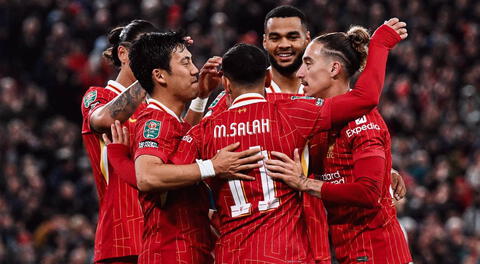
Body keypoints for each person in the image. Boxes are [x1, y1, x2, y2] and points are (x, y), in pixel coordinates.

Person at [170, 19, 403, 262]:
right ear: (267, 80)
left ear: (226, 83)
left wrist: (210, 168)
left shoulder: (207, 126)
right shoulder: (292, 113)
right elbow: (365, 97)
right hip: (289, 252)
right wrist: (379, 44)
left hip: (234, 253)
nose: (301, 70)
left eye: (307, 62)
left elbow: (171, 173)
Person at [106, 31, 263, 264]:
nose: (195, 70)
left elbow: (185, 144)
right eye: (186, 62)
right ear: (159, 76)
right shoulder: (155, 122)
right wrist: (213, 166)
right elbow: (147, 176)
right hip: (171, 254)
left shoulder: (170, 121)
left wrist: (201, 97)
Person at [265, 19, 412, 264]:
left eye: (308, 63)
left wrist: (305, 183)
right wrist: (386, 169)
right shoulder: (315, 118)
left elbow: (368, 193)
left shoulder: (362, 122)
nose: (300, 73)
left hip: (380, 253)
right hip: (350, 253)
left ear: (334, 69)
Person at [80, 19, 158, 264]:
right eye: (147, 50)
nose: (153, 58)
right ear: (123, 53)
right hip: (122, 239)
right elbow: (103, 119)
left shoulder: (156, 109)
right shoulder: (97, 96)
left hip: (163, 236)